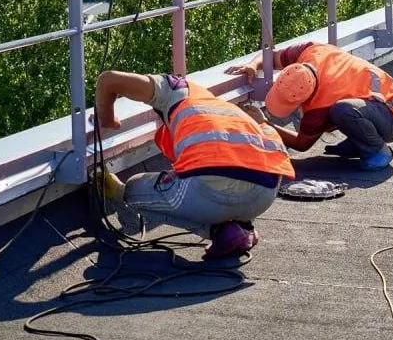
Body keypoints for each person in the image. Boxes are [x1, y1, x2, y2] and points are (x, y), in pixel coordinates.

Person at [92, 70, 295, 259]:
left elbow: (109, 80)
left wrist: (107, 120)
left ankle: (218, 231)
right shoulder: (228, 112)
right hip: (264, 194)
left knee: (135, 187)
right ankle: (241, 227)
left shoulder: (174, 90)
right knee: (206, 189)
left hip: (210, 187)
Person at [226, 42, 393, 171]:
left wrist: (264, 124)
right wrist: (252, 65)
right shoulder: (310, 51)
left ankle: (378, 152)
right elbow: (273, 54)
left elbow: (301, 144)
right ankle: (360, 141)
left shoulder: (319, 108)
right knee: (347, 108)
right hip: (380, 103)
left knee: (343, 110)